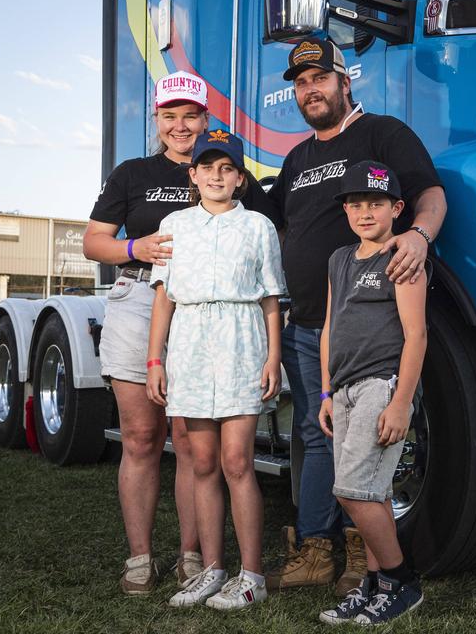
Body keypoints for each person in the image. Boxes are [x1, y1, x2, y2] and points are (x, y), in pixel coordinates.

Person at [83, 71, 279, 595]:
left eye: (190, 115)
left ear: (205, 120)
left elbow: (263, 244)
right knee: (142, 436)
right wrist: (135, 248)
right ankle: (140, 559)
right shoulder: (132, 174)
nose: (179, 125)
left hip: (215, 319)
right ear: (158, 121)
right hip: (144, 299)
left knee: (194, 446)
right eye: (169, 116)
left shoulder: (233, 174)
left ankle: (196, 557)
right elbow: (93, 242)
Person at [265, 38, 446, 596]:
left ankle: (360, 557)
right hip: (305, 326)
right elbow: (266, 222)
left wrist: (419, 236)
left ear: (346, 82)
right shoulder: (296, 160)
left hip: (367, 327)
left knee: (360, 443)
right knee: (315, 434)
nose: (309, 90)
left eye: (319, 78)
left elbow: (431, 194)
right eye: (299, 82)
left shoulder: (383, 134)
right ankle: (316, 548)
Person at [146, 131, 286, 609]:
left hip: (241, 341)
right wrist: (155, 359)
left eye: (227, 168)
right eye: (207, 167)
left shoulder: (258, 228)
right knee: (201, 462)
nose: (216, 176)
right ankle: (211, 569)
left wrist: (273, 356)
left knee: (237, 462)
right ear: (193, 174)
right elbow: (164, 297)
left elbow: (270, 297)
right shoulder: (174, 224)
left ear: (241, 179)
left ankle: (252, 575)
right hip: (189, 344)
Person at [316, 162, 427, 626]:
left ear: (396, 208)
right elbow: (329, 327)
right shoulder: (339, 259)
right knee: (372, 493)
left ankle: (403, 580)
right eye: (356, 204)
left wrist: (401, 401)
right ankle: (376, 585)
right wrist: (325, 391)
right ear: (345, 210)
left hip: (381, 385)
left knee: (353, 492)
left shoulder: (402, 258)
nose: (365, 212)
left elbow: (416, 335)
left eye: (376, 203)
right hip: (341, 390)